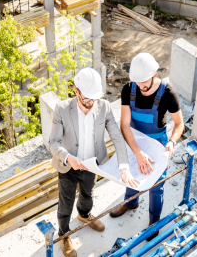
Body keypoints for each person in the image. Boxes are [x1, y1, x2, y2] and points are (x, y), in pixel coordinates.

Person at [48, 67, 138, 257]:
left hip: (92, 163)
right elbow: (53, 142)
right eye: (87, 98)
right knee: (66, 202)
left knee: (88, 194)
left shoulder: (103, 106)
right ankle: (64, 234)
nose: (91, 102)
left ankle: (84, 215)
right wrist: (69, 158)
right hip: (68, 165)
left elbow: (117, 136)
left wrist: (124, 166)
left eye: (94, 98)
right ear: (76, 91)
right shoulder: (62, 109)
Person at [110, 53, 184, 240]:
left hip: (157, 143)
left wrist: (172, 141)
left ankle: (154, 220)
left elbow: (179, 124)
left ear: (155, 75)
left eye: (144, 82)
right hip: (135, 140)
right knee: (133, 174)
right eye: (137, 82)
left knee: (156, 184)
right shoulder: (129, 89)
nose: (141, 87)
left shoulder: (168, 94)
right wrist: (138, 152)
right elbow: (124, 125)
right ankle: (131, 202)